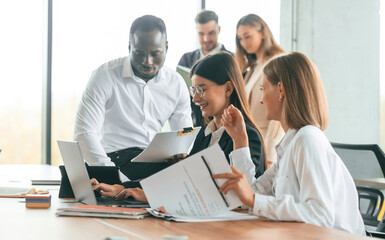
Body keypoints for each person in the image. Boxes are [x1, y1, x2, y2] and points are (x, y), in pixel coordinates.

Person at [213, 52, 365, 235]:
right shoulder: (291, 143)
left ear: (281, 90)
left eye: (262, 89)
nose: (260, 100)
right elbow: (251, 194)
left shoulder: (307, 139)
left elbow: (321, 215)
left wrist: (253, 199)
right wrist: (240, 140)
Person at [91, 52, 265, 197]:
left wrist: (150, 196)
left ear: (228, 89)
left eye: (201, 89)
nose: (195, 99)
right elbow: (184, 181)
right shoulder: (204, 135)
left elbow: (232, 195)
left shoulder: (247, 136)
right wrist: (123, 188)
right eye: (193, 90)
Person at [74, 15, 192, 182]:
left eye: (155, 53)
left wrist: (180, 157)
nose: (147, 61)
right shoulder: (104, 76)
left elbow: (183, 138)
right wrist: (112, 175)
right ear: (129, 47)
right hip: (115, 159)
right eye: (139, 53)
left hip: (156, 163)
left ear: (166, 47)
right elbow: (84, 133)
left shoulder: (176, 83)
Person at [235, 14, 285, 168]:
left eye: (247, 36)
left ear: (262, 32)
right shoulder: (253, 67)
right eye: (240, 39)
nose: (244, 43)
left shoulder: (277, 62)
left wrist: (270, 154)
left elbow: (279, 111)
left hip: (267, 142)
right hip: (253, 142)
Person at [178, 10, 232, 127]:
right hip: (196, 124)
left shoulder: (232, 60)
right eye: (201, 34)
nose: (206, 39)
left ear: (219, 29)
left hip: (227, 124)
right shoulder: (186, 60)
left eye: (211, 33)